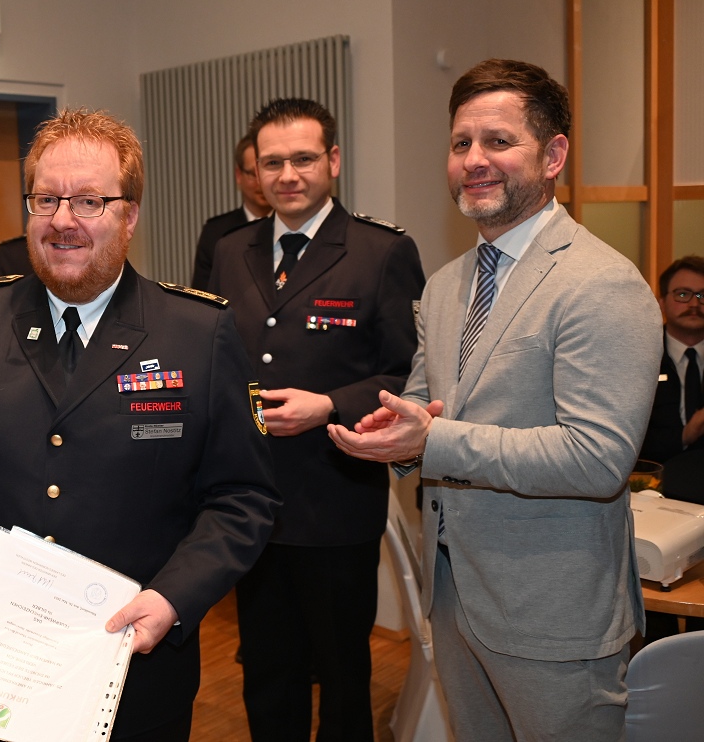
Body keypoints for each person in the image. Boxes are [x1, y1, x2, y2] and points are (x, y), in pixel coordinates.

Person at [0, 108, 280, 741]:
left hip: (135, 664)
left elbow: (244, 497)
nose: (63, 220)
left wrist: (174, 596)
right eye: (46, 199)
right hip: (2, 669)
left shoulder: (196, 332)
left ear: (130, 215)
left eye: (90, 201)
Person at [330, 59, 663, 741]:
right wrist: (393, 433)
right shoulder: (447, 284)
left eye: (499, 141)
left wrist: (432, 441)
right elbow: (427, 401)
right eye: (461, 143)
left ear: (553, 156)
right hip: (454, 596)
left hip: (553, 615)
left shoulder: (601, 283)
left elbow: (597, 458)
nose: (474, 160)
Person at [208, 98, 424, 741]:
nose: (287, 175)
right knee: (267, 671)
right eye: (272, 162)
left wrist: (329, 405)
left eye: (302, 159)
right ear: (254, 170)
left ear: (332, 160)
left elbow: (409, 375)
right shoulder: (230, 250)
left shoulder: (381, 251)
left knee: (342, 675)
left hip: (335, 498)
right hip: (250, 502)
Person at [640, 255, 704, 464]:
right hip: (653, 477)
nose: (694, 304)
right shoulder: (640, 355)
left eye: (703, 295)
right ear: (661, 303)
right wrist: (685, 435)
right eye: (683, 294)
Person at [190, 133, 273, 289]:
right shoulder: (215, 233)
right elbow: (201, 296)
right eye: (253, 174)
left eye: (267, 171)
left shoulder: (292, 226)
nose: (260, 182)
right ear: (239, 175)